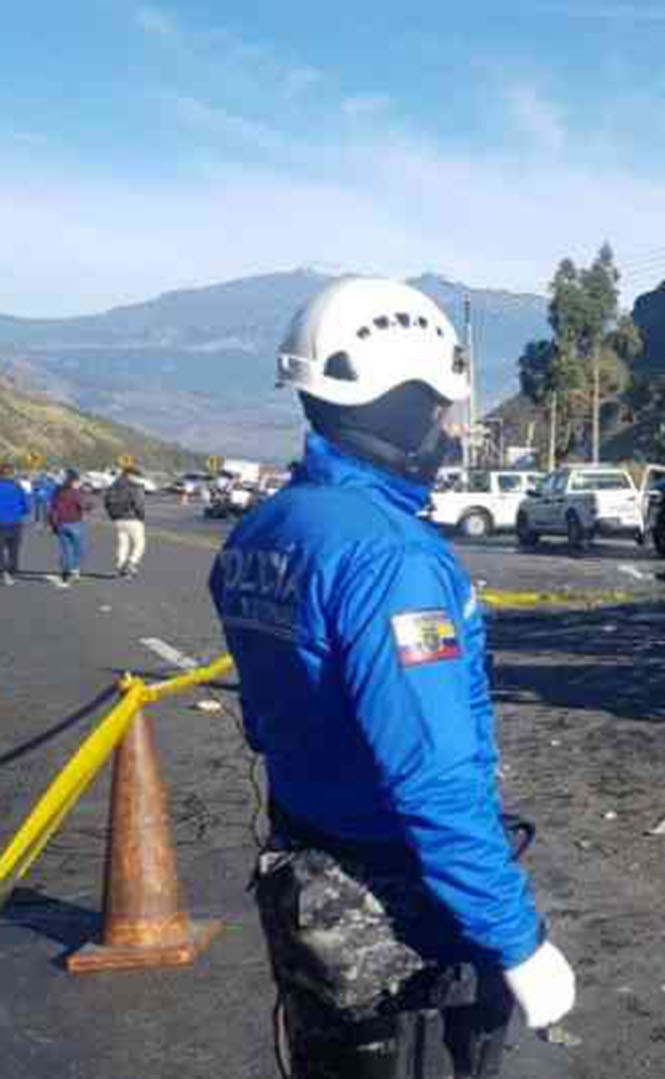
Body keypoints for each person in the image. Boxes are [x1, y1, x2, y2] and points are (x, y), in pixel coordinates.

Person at [208, 277, 573, 1079]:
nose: (446, 428)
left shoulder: (263, 530)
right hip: (397, 906)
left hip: (307, 873)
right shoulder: (392, 558)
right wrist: (518, 940)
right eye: (439, 406)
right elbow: (433, 782)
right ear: (398, 401)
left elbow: (267, 718)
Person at [48, 470, 91, 587]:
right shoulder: (75, 493)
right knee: (79, 549)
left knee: (66, 549)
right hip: (74, 522)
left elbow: (52, 508)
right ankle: (74, 570)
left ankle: (66, 571)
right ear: (73, 481)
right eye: (78, 481)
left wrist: (52, 524)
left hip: (61, 523)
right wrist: (90, 504)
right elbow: (83, 505)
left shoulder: (57, 492)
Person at [103, 466, 148, 578]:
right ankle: (131, 563)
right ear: (130, 475)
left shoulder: (113, 486)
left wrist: (112, 516)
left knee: (123, 543)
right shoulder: (134, 487)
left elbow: (106, 502)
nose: (137, 478)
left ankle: (120, 565)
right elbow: (139, 504)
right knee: (139, 543)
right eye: (136, 476)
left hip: (118, 519)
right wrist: (141, 516)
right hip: (133, 518)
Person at [0, 462, 28, 586]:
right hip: (15, 522)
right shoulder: (17, 487)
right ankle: (12, 572)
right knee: (14, 550)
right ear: (12, 473)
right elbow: (27, 506)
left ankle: (4, 572)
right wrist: (19, 511)